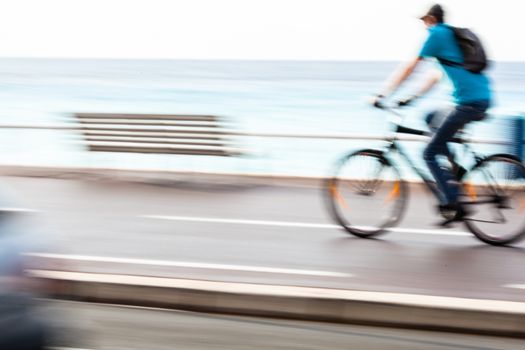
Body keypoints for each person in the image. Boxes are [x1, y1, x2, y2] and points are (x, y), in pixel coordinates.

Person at [371, 4, 492, 224]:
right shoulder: (449, 39)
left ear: (430, 19)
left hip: (469, 103)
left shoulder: (437, 33)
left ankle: (453, 202)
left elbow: (411, 67)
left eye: (424, 22)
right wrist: (410, 99)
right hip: (476, 99)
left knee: (428, 153)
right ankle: (454, 169)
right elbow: (434, 77)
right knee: (430, 118)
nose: (424, 27)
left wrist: (384, 93)